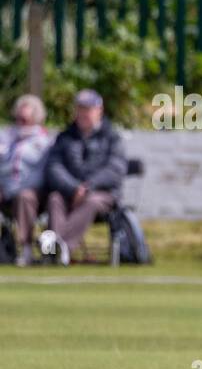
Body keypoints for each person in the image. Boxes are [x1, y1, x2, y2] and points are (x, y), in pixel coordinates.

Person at [41, 89, 126, 265]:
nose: (83, 113)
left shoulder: (112, 137)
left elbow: (115, 170)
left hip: (102, 194)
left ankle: (60, 246)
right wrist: (73, 188)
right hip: (69, 192)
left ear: (99, 111)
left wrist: (88, 187)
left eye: (87, 109)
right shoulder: (65, 137)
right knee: (55, 199)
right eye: (80, 109)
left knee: (92, 201)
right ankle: (58, 251)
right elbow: (53, 167)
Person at [1, 94, 52, 266]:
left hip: (32, 193)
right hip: (5, 190)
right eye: (18, 117)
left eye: (25, 118)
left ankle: (27, 249)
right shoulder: (6, 137)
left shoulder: (44, 142)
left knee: (24, 197)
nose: (20, 122)